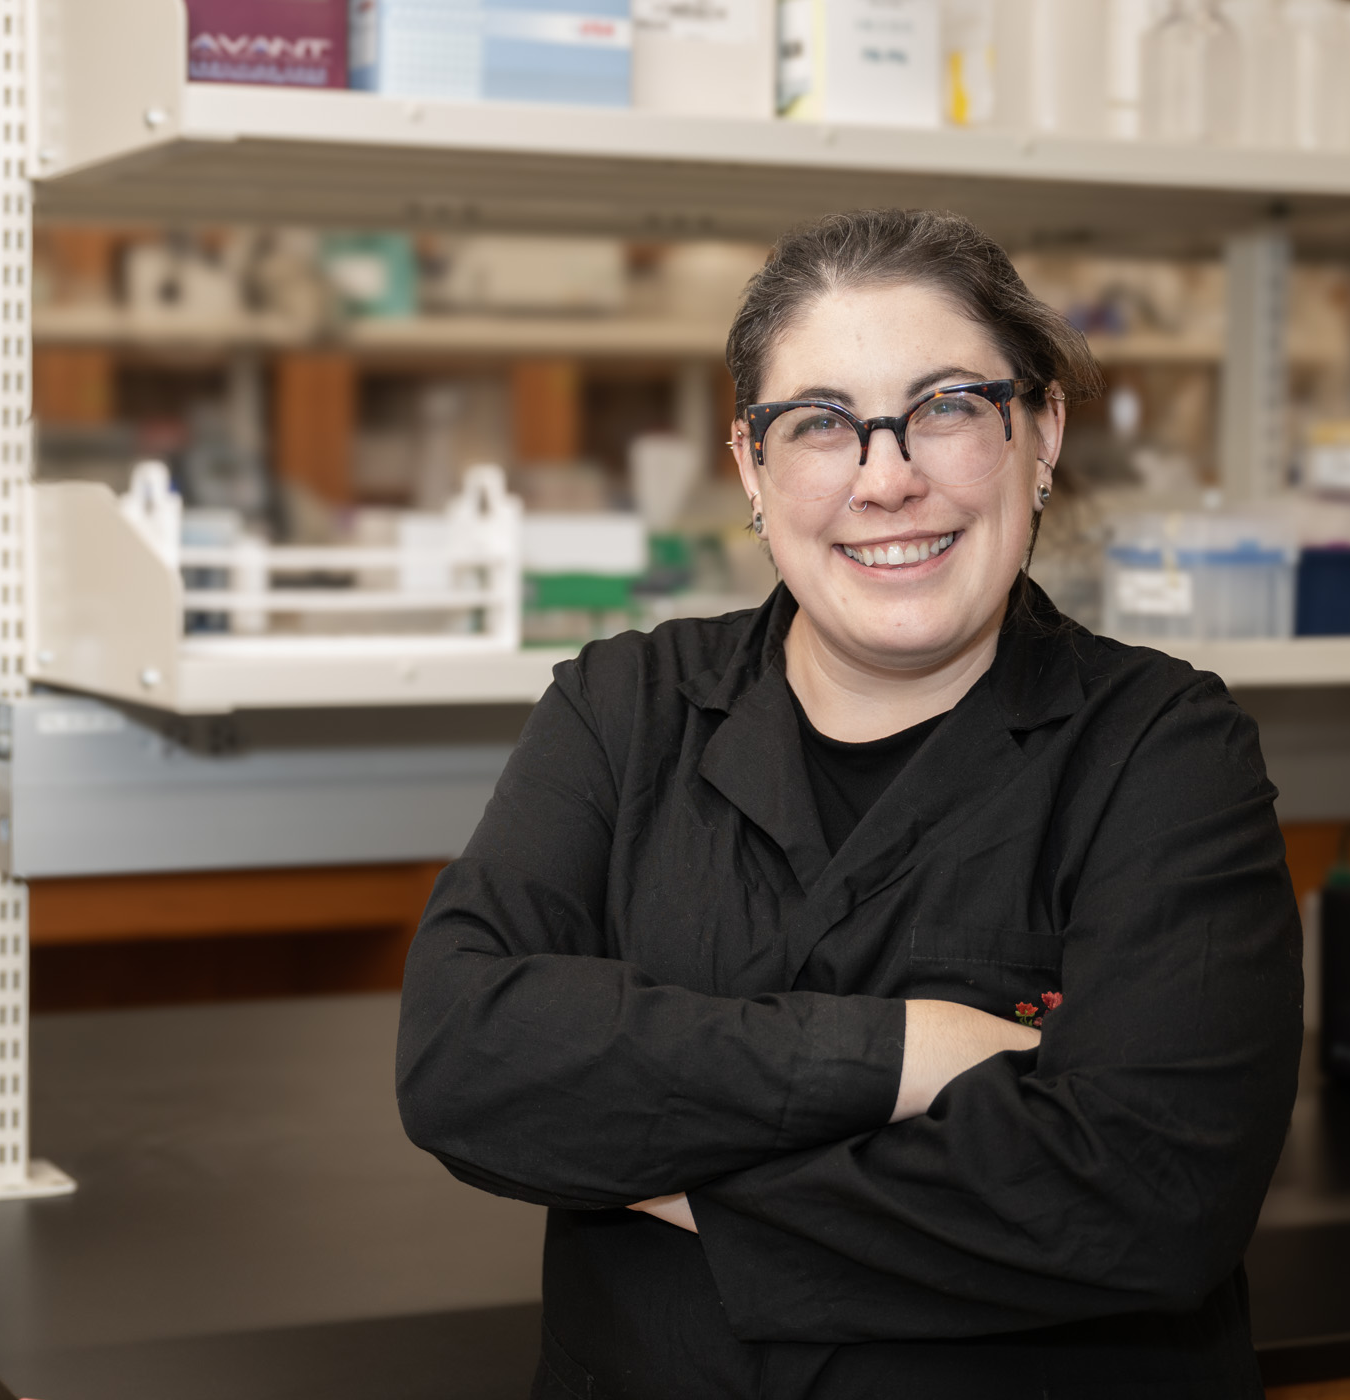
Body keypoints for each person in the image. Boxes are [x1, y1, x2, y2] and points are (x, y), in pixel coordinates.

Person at [396, 207, 1303, 1398]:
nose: (889, 478)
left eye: (947, 408)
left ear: (1041, 434)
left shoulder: (1164, 748)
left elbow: (1148, 1194)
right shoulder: (626, 707)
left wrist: (660, 1164)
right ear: (752, 468)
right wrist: (903, 1053)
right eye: (822, 423)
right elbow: (466, 1054)